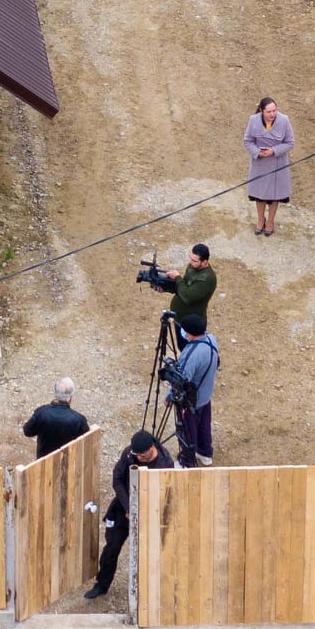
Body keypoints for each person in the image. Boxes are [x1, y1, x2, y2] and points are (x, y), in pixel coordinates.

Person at [83, 430, 172, 600]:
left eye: (143, 455)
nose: (139, 458)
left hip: (150, 512)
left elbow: (165, 494)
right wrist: (129, 506)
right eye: (136, 454)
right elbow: (117, 479)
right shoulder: (129, 454)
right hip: (123, 509)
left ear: (151, 448)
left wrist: (146, 511)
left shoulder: (164, 464)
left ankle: (149, 592)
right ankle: (102, 585)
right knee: (111, 548)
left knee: (150, 553)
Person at [172, 313, 220, 468]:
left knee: (187, 430)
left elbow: (181, 379)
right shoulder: (211, 339)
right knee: (204, 425)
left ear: (189, 333)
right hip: (206, 394)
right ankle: (205, 453)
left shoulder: (192, 353)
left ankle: (187, 461)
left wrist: (170, 396)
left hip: (191, 400)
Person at [243, 97, 295, 237]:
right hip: (260, 164)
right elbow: (248, 141)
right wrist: (257, 152)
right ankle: (260, 220)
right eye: (269, 111)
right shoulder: (253, 120)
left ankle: (270, 222)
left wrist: (273, 150)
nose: (272, 114)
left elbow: (290, 142)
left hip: (277, 164)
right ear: (261, 111)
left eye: (274, 111)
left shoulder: (284, 120)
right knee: (259, 196)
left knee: (274, 196)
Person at [22, 378, 90, 459]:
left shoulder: (41, 413)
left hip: (43, 464)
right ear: (70, 398)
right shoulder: (79, 420)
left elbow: (27, 431)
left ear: (55, 393)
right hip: (68, 464)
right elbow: (86, 441)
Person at [163, 244, 216, 323]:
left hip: (191, 323)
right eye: (191, 258)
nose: (190, 262)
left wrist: (177, 277)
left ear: (204, 262)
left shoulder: (205, 279)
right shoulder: (193, 266)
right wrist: (165, 287)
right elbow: (184, 285)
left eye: (194, 260)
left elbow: (188, 296)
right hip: (180, 318)